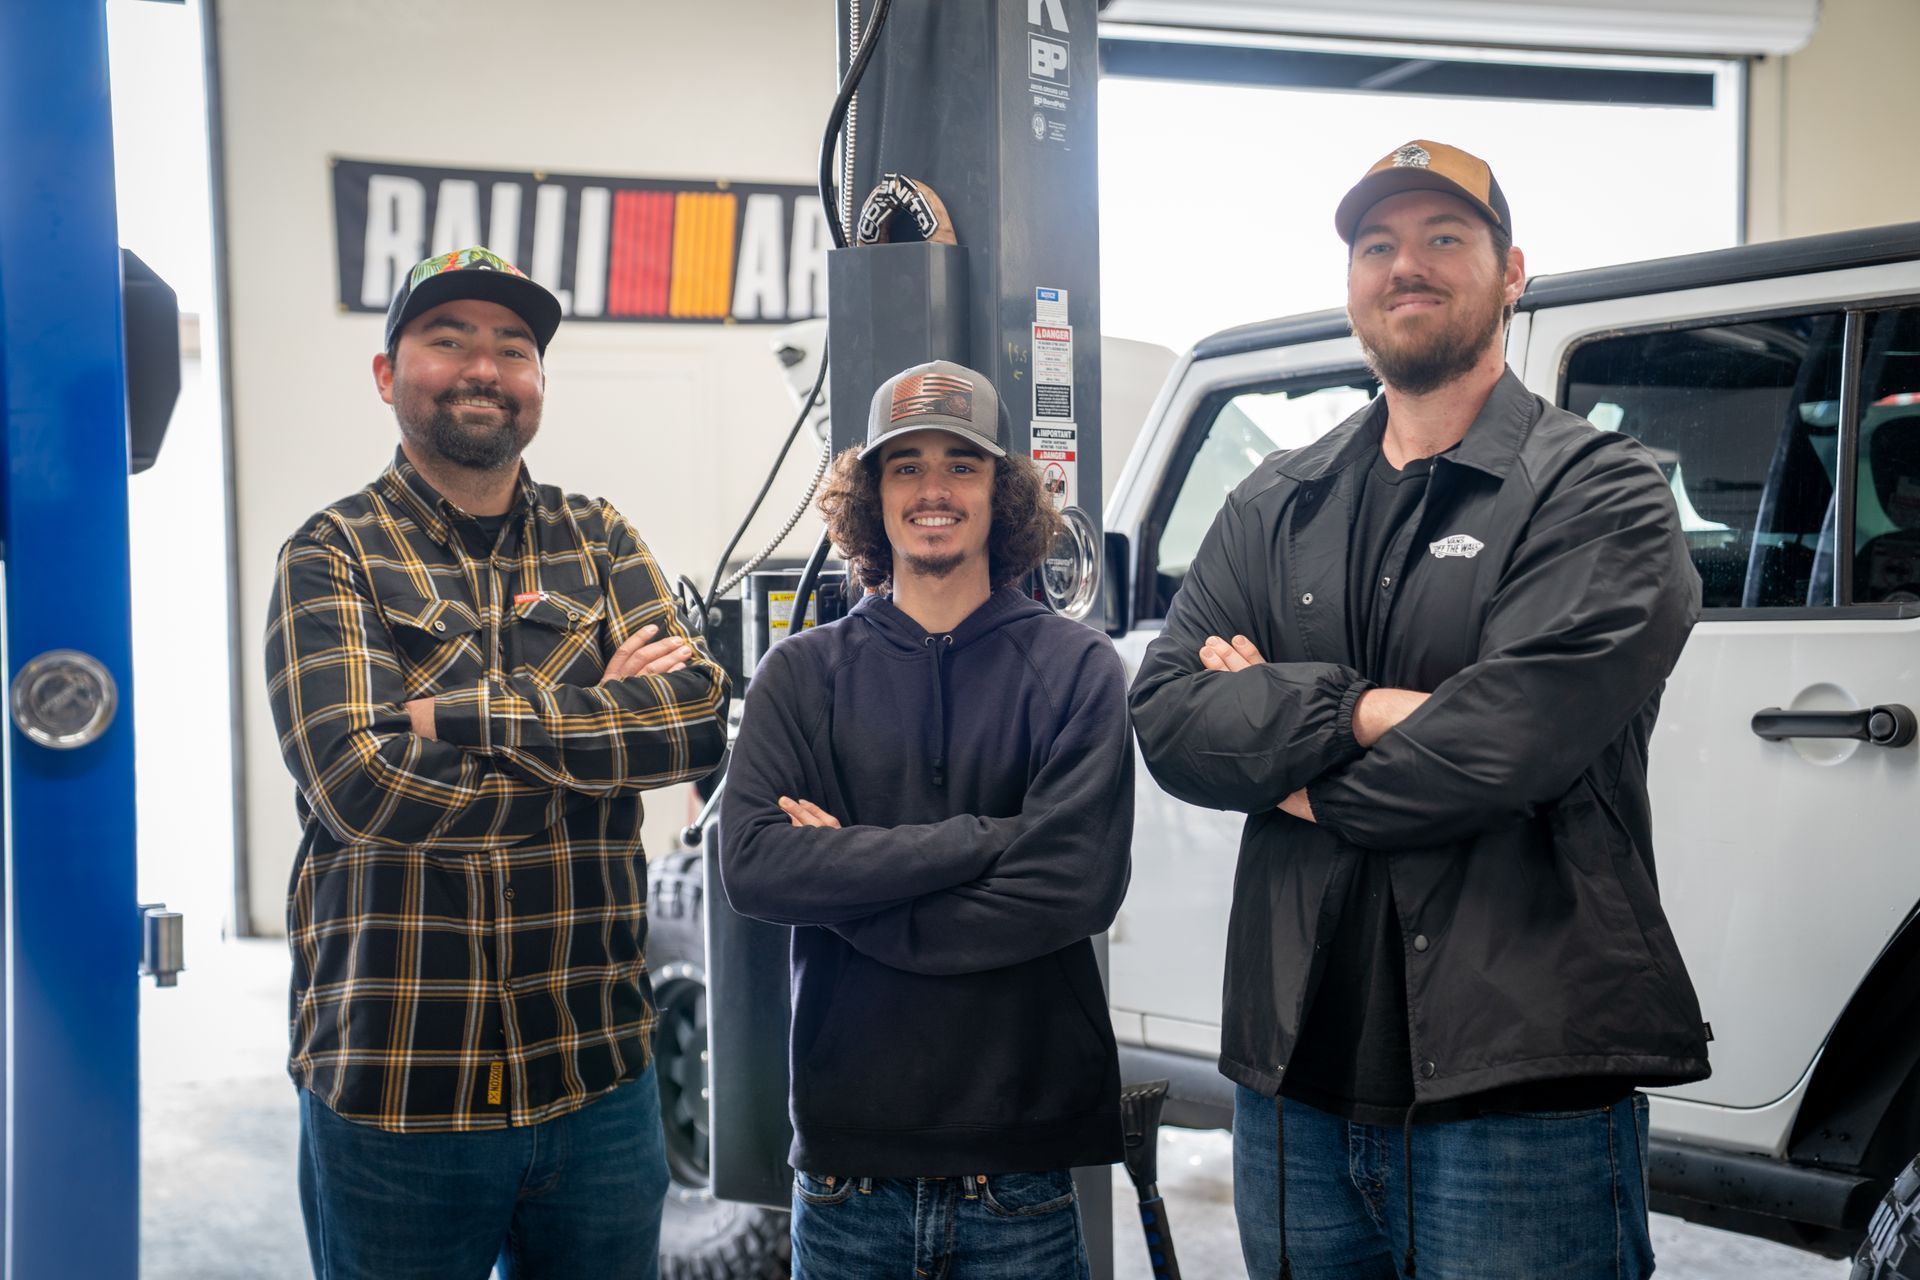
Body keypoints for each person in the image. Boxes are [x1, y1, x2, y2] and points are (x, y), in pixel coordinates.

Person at [1129, 141, 1711, 1280]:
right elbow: (1166, 717)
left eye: (1446, 238)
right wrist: (1366, 709)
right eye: (1378, 245)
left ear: (1513, 274)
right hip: (1292, 1087)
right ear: (1352, 284)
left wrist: (1281, 751)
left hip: (1520, 1097)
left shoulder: (1599, 490)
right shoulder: (1276, 499)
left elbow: (1501, 748)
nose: (1409, 266)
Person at [264, 245, 728, 1279]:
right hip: (399, 1084)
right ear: (388, 375)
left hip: (596, 1076)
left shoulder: (599, 536)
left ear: (539, 384)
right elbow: (365, 784)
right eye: (448, 338)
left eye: (513, 346)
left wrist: (464, 718)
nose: (484, 366)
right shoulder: (329, 554)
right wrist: (602, 724)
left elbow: (697, 720)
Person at [719, 360, 1133, 1279]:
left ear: (1005, 491)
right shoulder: (801, 673)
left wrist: (847, 885)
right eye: (905, 467)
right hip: (845, 1175)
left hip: (1018, 1171)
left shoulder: (1077, 669)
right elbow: (752, 867)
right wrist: (983, 842)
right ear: (871, 495)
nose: (933, 489)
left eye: (962, 464)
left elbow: (1074, 887)